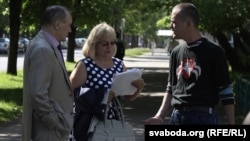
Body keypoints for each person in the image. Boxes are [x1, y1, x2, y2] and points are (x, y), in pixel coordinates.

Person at [143, 2, 235, 125]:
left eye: (174, 22)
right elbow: (171, 88)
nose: (171, 26)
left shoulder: (214, 52)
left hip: (203, 118)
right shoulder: (175, 53)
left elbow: (225, 91)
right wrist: (159, 116)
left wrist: (232, 124)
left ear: (188, 23)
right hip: (177, 116)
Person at [69, 22, 145, 140]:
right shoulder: (85, 65)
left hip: (113, 121)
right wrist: (101, 96)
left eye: (112, 43)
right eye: (105, 44)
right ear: (94, 45)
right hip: (88, 122)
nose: (109, 47)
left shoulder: (119, 65)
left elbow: (128, 97)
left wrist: (138, 88)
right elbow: (70, 93)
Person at [22, 5, 74, 141]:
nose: (69, 30)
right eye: (68, 25)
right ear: (57, 24)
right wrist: (54, 122)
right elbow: (37, 94)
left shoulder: (45, 45)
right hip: (48, 132)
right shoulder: (43, 49)